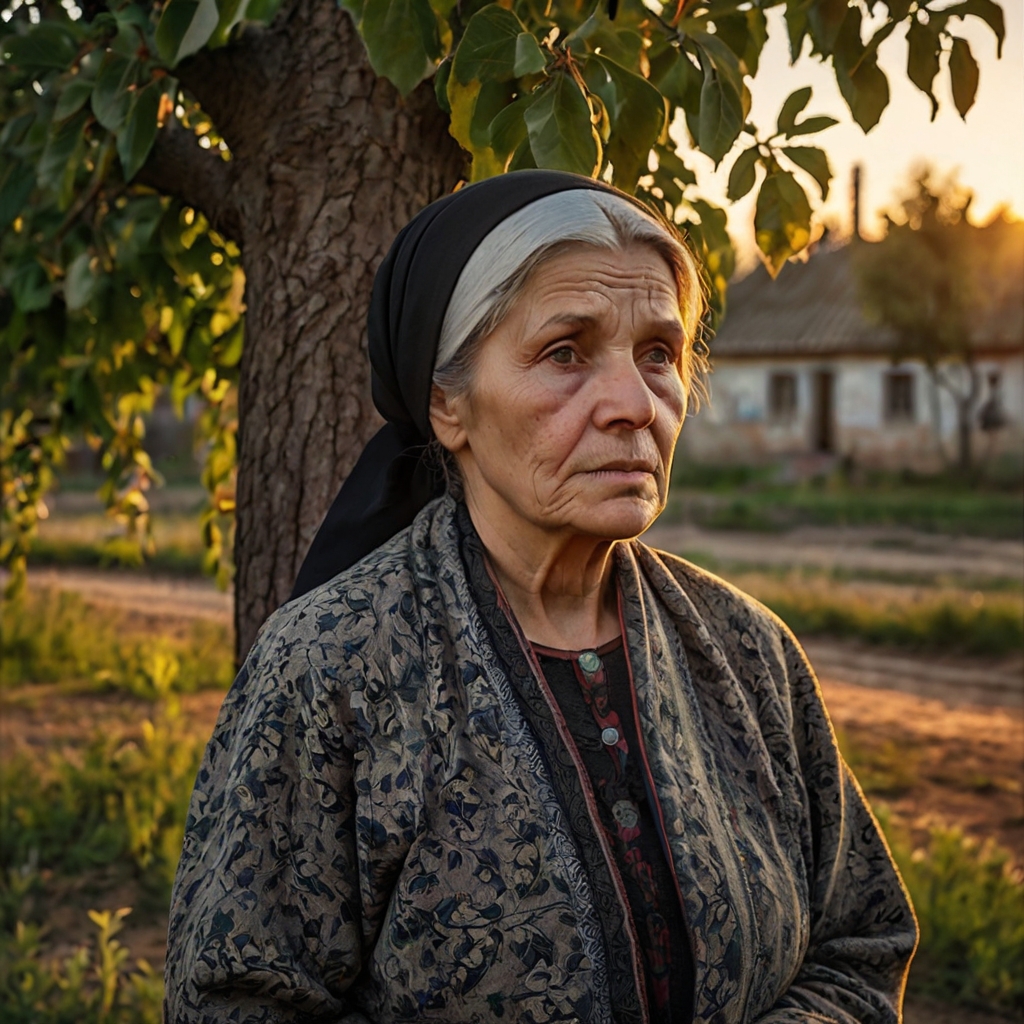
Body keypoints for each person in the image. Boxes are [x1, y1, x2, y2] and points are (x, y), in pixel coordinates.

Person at [165, 170, 917, 1023]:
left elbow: (860, 946)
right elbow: (236, 1001)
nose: (636, 405)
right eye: (566, 352)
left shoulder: (751, 654)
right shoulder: (329, 667)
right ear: (448, 403)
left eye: (660, 355)